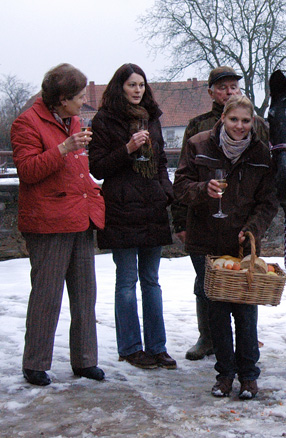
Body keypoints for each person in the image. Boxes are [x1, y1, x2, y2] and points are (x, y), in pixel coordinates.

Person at [173, 94, 278, 400]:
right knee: (217, 311)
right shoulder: (198, 144)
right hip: (206, 240)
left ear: (253, 123)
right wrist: (202, 190)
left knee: (245, 312)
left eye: (246, 121)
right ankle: (224, 375)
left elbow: (268, 202)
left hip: (243, 243)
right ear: (223, 119)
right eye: (234, 120)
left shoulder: (262, 152)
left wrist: (252, 229)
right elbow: (179, 187)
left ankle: (248, 375)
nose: (240, 126)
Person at [11, 63, 105, 386]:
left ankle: (85, 360)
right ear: (62, 99)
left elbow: (79, 169)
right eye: (79, 97)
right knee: (47, 296)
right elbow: (28, 171)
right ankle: (35, 362)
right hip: (48, 223)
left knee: (85, 295)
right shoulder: (27, 123)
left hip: (80, 217)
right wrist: (64, 148)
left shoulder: (74, 120)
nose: (83, 102)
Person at [89, 63, 176, 370]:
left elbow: (162, 159)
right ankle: (130, 347)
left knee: (151, 281)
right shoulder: (104, 120)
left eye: (141, 84)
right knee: (126, 281)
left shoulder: (152, 117)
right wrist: (127, 148)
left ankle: (158, 347)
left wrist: (167, 190)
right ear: (120, 88)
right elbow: (97, 168)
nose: (138, 90)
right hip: (122, 207)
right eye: (132, 85)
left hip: (151, 206)